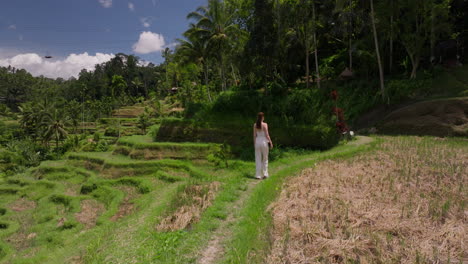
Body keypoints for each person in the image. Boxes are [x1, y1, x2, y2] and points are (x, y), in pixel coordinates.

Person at [253, 112, 273, 179]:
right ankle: (265, 174)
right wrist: (270, 142)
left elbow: (254, 135)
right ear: (263, 117)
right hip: (264, 141)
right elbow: (267, 135)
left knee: (258, 158)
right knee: (265, 158)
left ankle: (258, 175)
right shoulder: (265, 124)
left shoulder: (255, 125)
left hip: (257, 141)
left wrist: (254, 143)